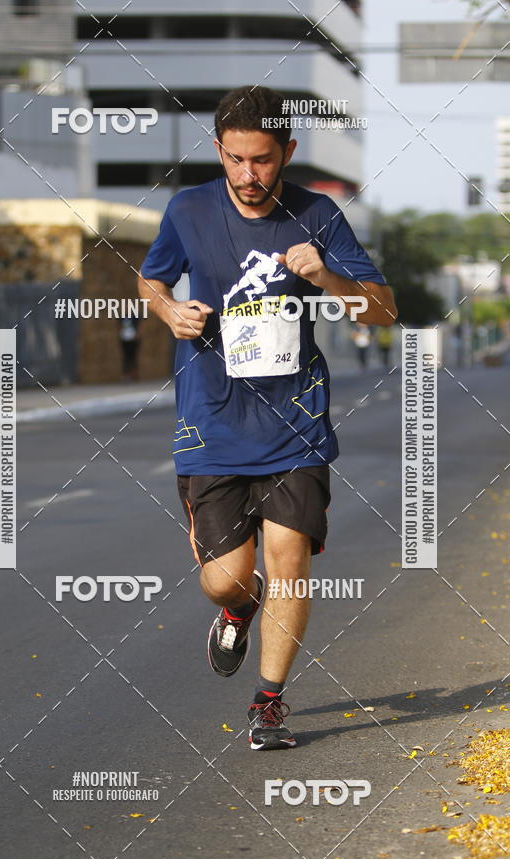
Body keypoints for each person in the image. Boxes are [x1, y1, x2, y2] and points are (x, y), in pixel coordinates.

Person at [137, 86, 396, 751]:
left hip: (296, 422)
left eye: (262, 161)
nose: (248, 177)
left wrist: (331, 282)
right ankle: (235, 607)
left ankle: (269, 702)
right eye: (235, 160)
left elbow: (382, 311)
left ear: (288, 151)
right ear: (219, 151)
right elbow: (152, 280)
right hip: (212, 421)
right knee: (227, 575)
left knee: (289, 560)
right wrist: (171, 312)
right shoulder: (188, 209)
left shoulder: (317, 214)